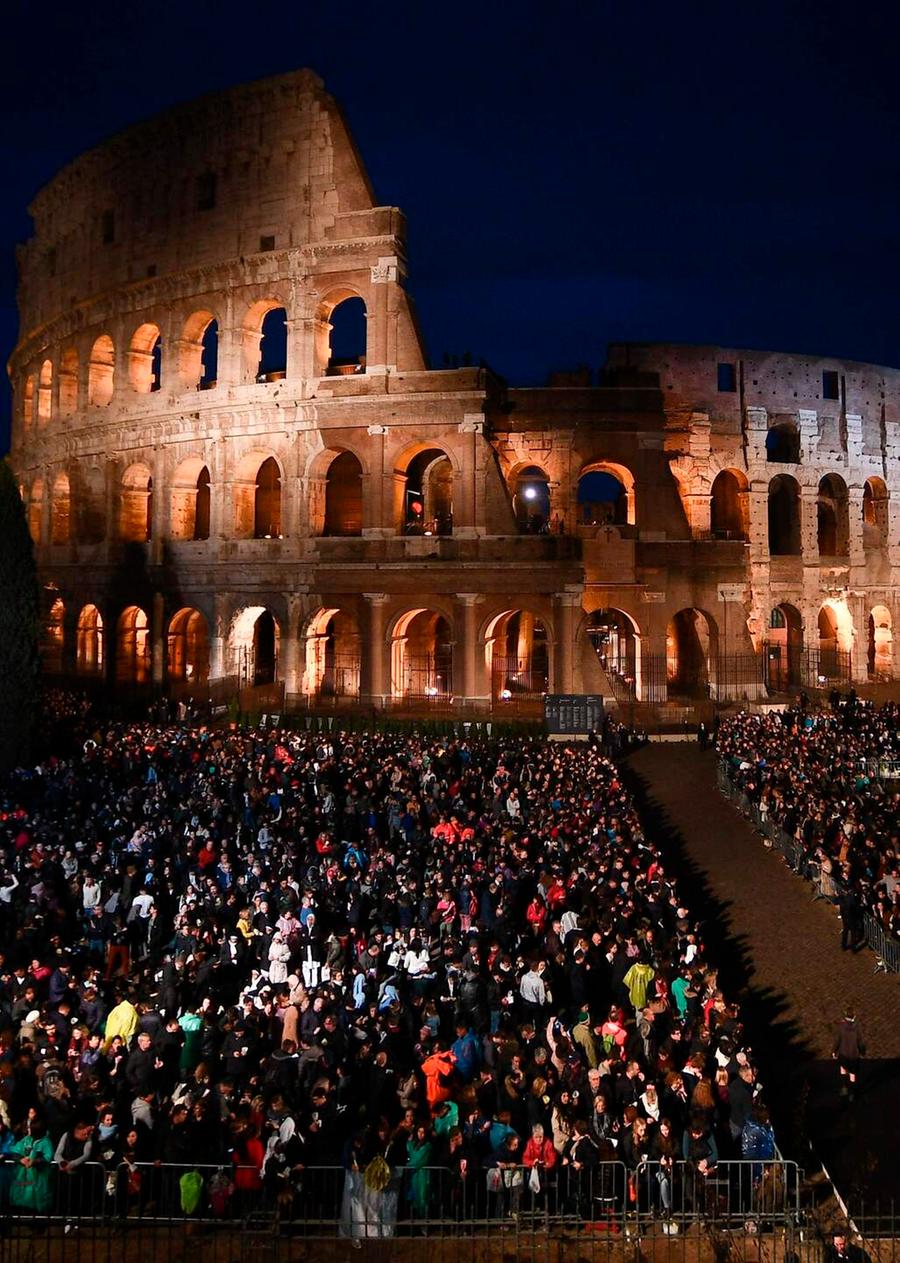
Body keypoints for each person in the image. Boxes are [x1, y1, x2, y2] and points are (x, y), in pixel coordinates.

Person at [832, 1007, 865, 1102]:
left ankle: (844, 1088)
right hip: (854, 1055)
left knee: (843, 1069)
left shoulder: (841, 1027)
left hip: (843, 1053)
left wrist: (834, 1051)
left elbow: (837, 1040)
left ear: (845, 1015)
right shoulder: (857, 1027)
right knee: (852, 1074)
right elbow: (860, 1042)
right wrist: (862, 1052)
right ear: (854, 1016)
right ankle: (851, 1093)